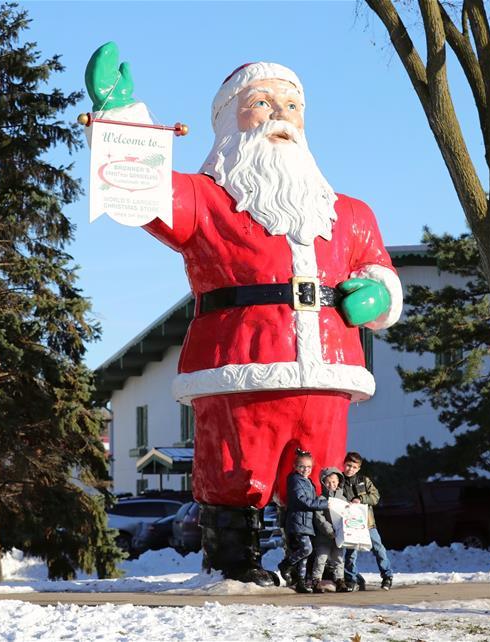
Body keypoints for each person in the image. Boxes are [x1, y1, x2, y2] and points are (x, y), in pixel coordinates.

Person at [83, 44, 403, 585]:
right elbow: (145, 188)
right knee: (238, 467)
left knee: (323, 476)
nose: (280, 114)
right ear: (230, 122)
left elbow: (380, 271)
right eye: (261, 102)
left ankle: (323, 563)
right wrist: (121, 115)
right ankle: (235, 561)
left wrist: (378, 296)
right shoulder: (206, 199)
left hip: (326, 369)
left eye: (291, 105)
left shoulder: (349, 212)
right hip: (238, 366)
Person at [339, 452, 393, 591]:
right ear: (343, 464)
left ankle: (387, 576)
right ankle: (351, 579)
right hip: (350, 525)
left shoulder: (364, 481)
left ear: (358, 469)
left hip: (368, 523)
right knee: (351, 553)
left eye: (354, 467)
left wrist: (361, 500)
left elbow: (375, 497)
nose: (350, 469)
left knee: (379, 549)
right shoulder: (339, 482)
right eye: (348, 465)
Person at [278, 450, 329, 593]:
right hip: (298, 521)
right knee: (307, 549)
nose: (305, 470)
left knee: (305, 556)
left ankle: (301, 582)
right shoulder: (295, 480)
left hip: (307, 522)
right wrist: (324, 504)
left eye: (308, 467)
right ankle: (285, 564)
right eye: (302, 466)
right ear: (295, 466)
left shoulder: (309, 482)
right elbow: (302, 500)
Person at [310, 467, 347, 593]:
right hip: (324, 537)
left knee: (339, 558)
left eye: (334, 482)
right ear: (323, 483)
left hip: (339, 536)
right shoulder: (321, 499)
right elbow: (319, 517)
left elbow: (348, 515)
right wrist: (329, 530)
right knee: (321, 558)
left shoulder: (343, 499)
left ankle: (340, 580)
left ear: (339, 482)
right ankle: (316, 580)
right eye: (328, 482)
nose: (331, 484)